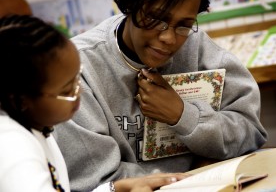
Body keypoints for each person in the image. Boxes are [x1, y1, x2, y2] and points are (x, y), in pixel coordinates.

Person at [54, 0, 268, 191]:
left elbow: (250, 131)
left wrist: (184, 116)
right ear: (129, 6)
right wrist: (189, 177)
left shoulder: (196, 46)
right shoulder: (78, 70)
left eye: (184, 25)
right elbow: (100, 181)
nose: (169, 38)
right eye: (156, 19)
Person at [0, 14, 187, 192]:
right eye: (66, 91)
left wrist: (113, 188)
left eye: (77, 81)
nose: (79, 91)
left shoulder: (37, 128)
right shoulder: (14, 148)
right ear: (23, 100)